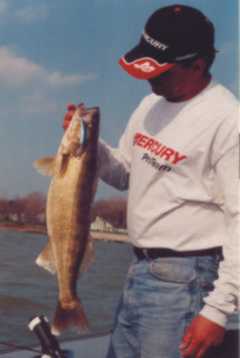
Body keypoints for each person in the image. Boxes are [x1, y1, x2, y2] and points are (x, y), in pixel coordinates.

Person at [64, 4, 239, 358]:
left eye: (161, 71)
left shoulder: (227, 121)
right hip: (138, 272)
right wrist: (86, 142)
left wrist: (217, 309)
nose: (149, 79)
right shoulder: (150, 106)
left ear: (198, 65)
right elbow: (125, 173)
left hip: (187, 282)